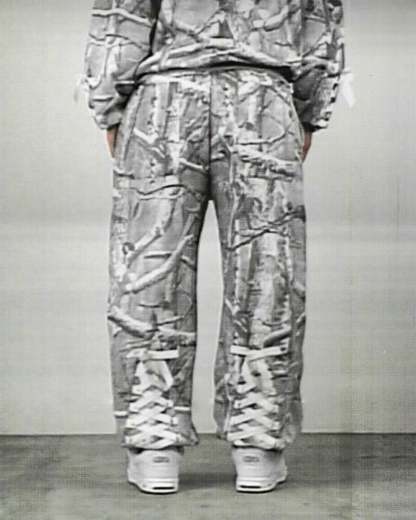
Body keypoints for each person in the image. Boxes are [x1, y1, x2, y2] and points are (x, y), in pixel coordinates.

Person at [81, 0, 345, 494]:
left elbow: (122, 13)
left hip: (162, 98)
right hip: (263, 95)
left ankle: (155, 445)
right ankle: (258, 444)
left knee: (150, 269)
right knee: (268, 272)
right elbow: (320, 17)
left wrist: (108, 102)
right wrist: (309, 110)